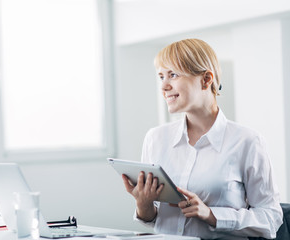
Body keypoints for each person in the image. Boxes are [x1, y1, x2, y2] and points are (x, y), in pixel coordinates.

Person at [121, 39, 283, 239]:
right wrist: (143, 203)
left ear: (206, 79)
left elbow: (271, 218)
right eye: (161, 76)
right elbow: (153, 218)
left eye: (173, 74)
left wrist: (211, 214)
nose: (164, 86)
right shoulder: (155, 138)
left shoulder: (247, 142)